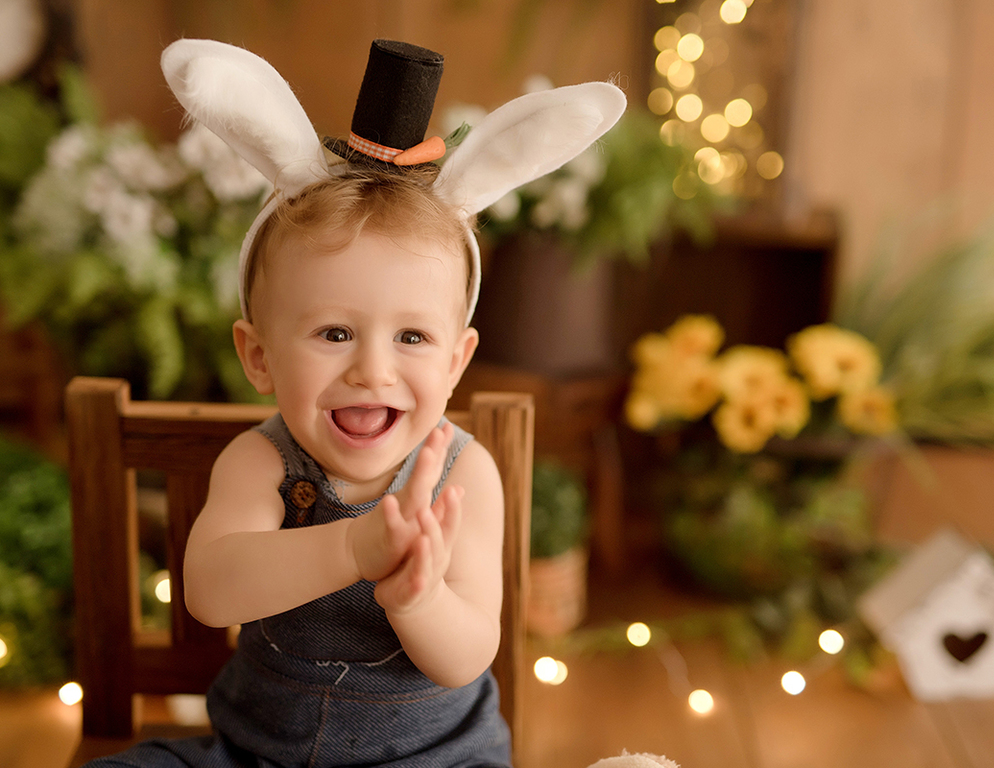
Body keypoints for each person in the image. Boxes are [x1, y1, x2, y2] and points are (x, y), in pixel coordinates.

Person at [87, 37, 624, 768]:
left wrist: (415, 599)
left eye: (411, 336)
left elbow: (468, 655)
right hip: (252, 756)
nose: (373, 371)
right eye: (334, 332)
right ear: (259, 357)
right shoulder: (260, 462)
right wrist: (352, 547)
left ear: (456, 361)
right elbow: (212, 590)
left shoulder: (465, 475)